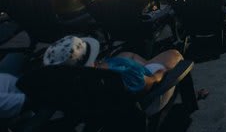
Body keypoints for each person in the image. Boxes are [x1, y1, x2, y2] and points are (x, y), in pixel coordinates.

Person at [43, 36, 184, 114]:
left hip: (100, 104)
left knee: (127, 55)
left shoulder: (71, 84)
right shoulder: (119, 75)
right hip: (146, 102)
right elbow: (150, 83)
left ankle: (146, 62)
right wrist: (160, 73)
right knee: (174, 54)